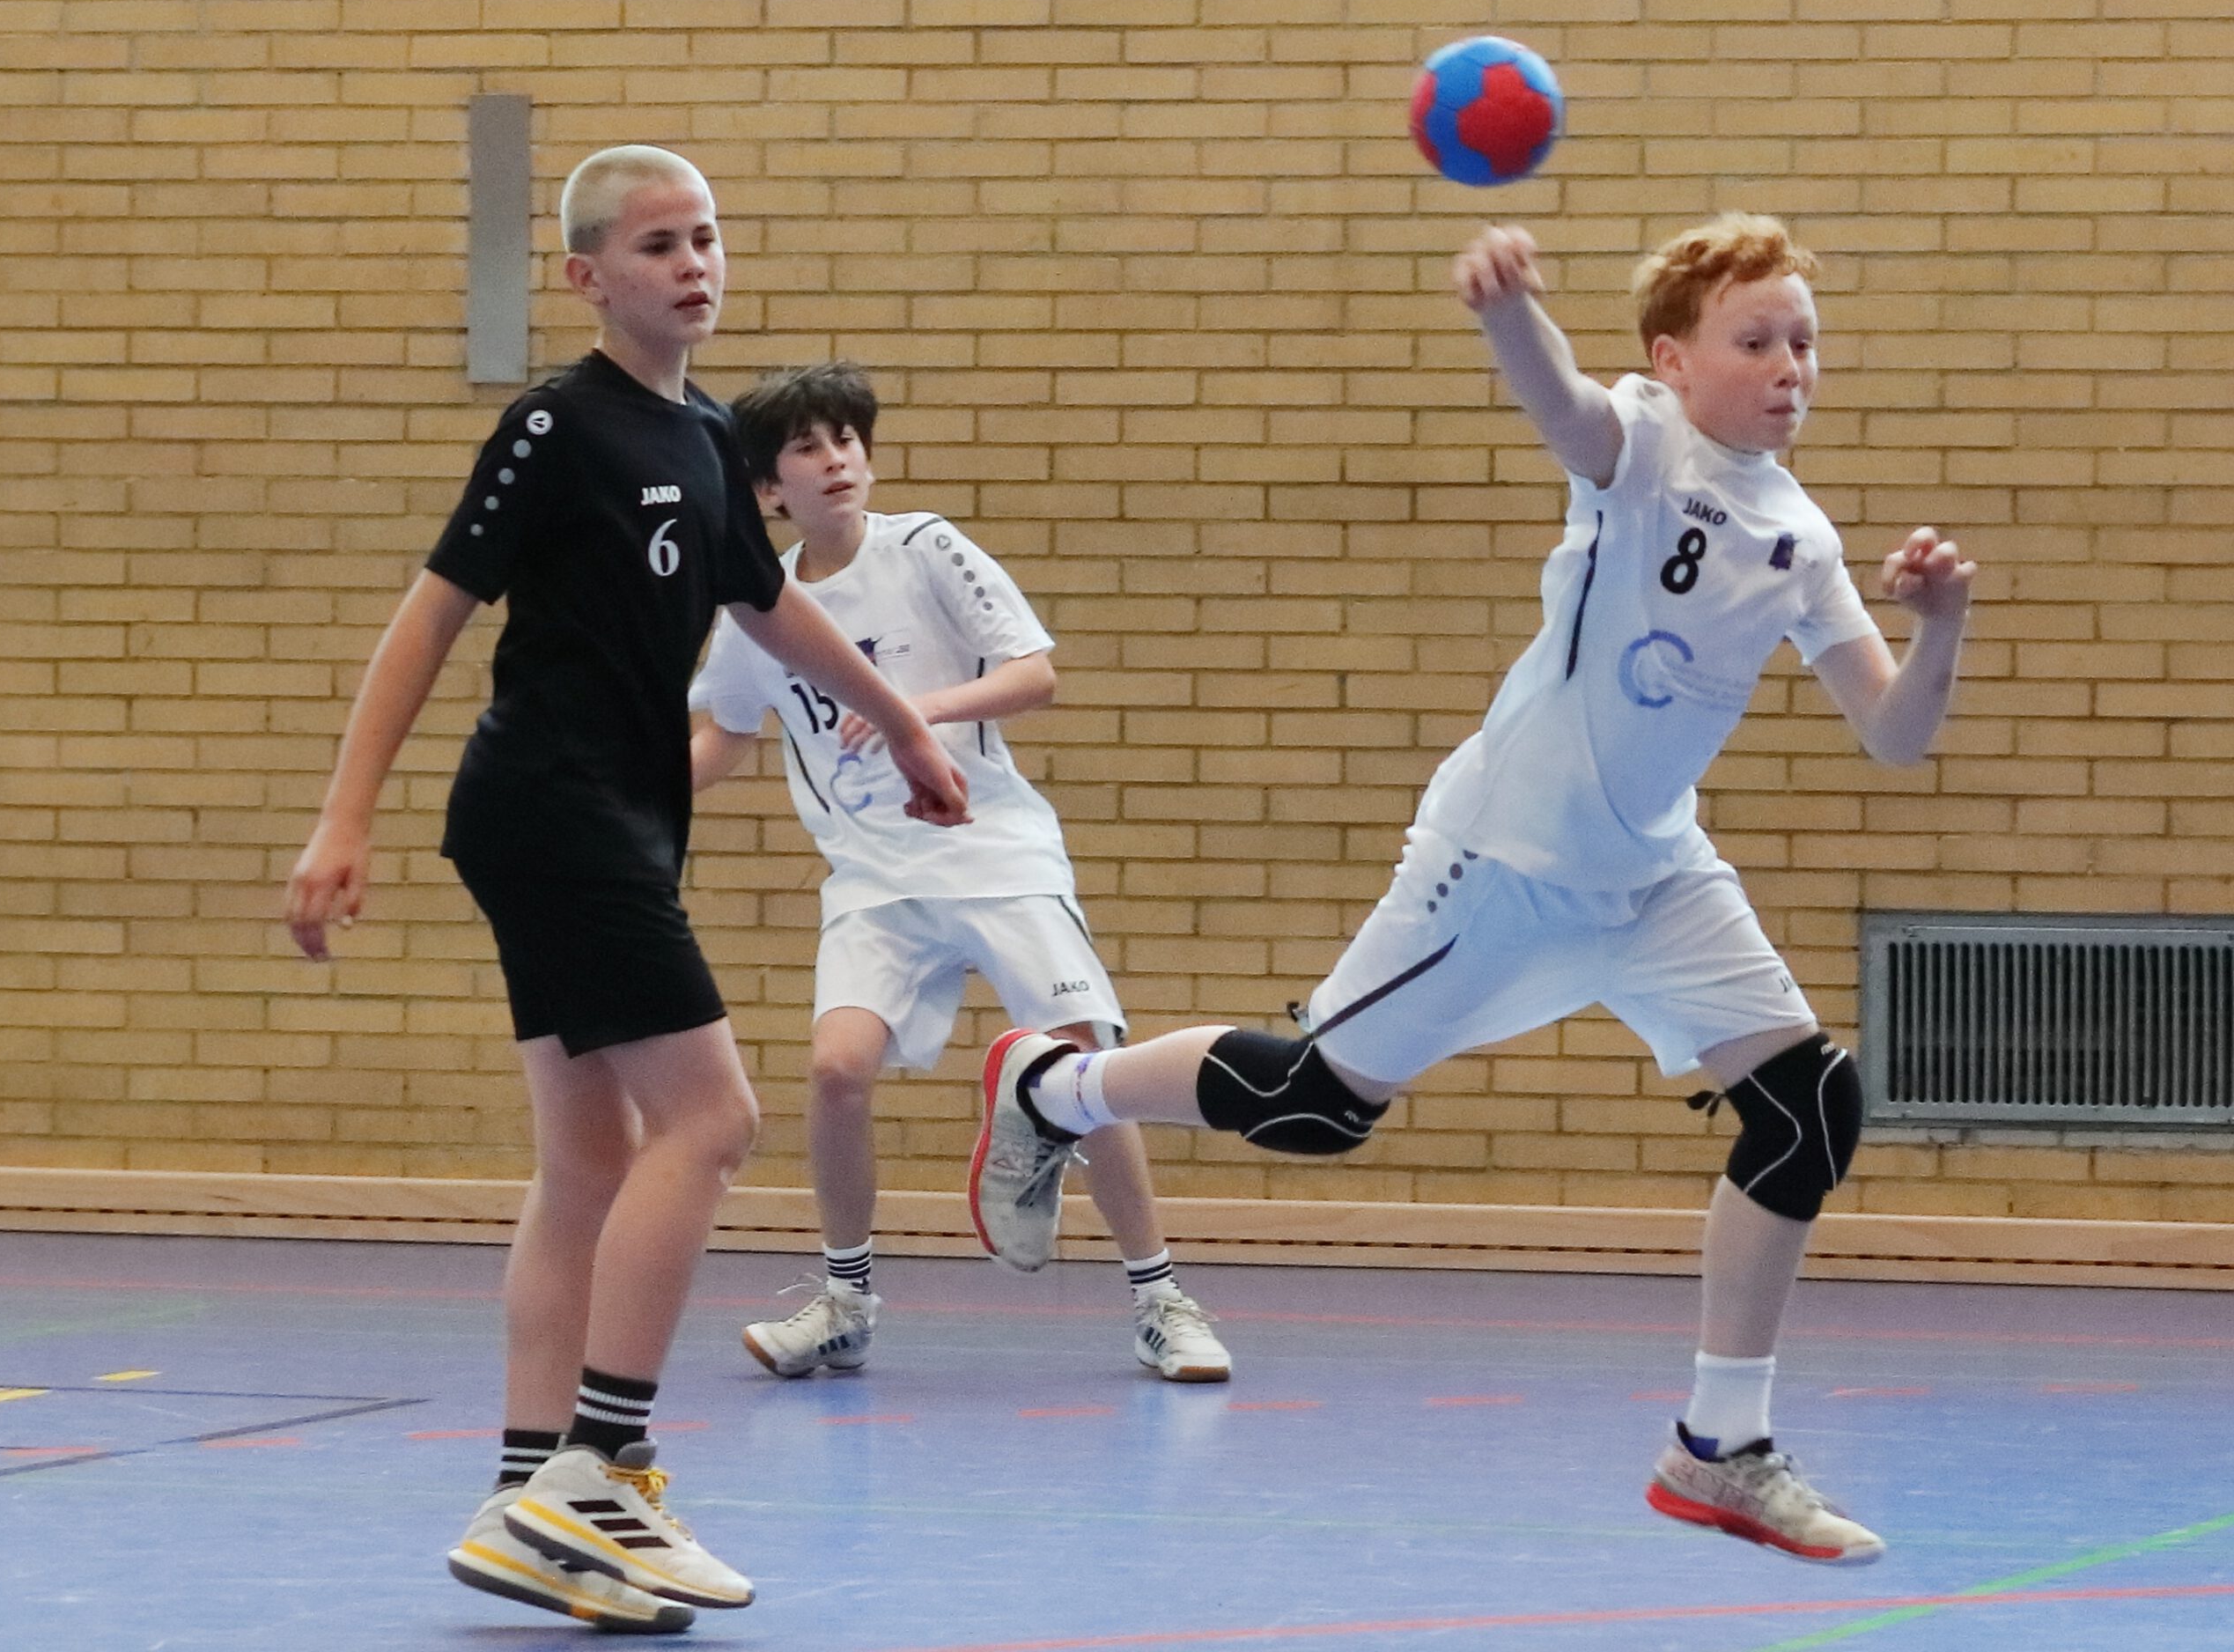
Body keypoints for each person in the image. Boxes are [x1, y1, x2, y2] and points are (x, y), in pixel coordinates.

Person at [970, 214, 1976, 1566]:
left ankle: (1719, 1449)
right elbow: (1561, 406)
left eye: (1805, 341)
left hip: (1656, 872)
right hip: (1509, 860)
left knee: (1810, 1107)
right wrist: (1507, 309)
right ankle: (1056, 1087)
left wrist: (1941, 629)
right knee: (1316, 1107)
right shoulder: (1641, 447)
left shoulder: (1802, 536)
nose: (1790, 365)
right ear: (1673, 360)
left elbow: (1895, 734)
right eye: (1756, 340)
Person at [284, 147, 968, 1633]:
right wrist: (345, 817)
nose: (693, 263)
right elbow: (430, 617)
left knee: (590, 1160)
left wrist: (906, 724)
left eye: (706, 237)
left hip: (625, 821)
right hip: (551, 808)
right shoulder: (555, 424)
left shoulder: (711, 435)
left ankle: (525, 1498)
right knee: (714, 1119)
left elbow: (769, 606)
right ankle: (598, 1467)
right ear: (588, 277)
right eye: (659, 244)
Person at [688, 360, 1232, 1384]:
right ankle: (845, 1303)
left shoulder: (926, 547)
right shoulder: (757, 605)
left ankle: (1160, 1299)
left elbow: (1035, 675)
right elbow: (725, 734)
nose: (836, 459)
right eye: (806, 448)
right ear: (768, 489)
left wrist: (911, 713)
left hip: (996, 854)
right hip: (874, 878)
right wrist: (628, 796)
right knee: (836, 1071)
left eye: (846, 439)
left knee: (1087, 1061)